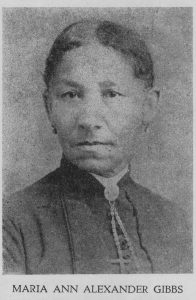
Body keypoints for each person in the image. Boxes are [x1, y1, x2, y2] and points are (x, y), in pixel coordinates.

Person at [3, 19, 192, 274]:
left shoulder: (178, 224)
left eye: (111, 94)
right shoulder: (13, 223)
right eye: (71, 94)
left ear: (148, 106)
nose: (89, 121)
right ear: (49, 107)